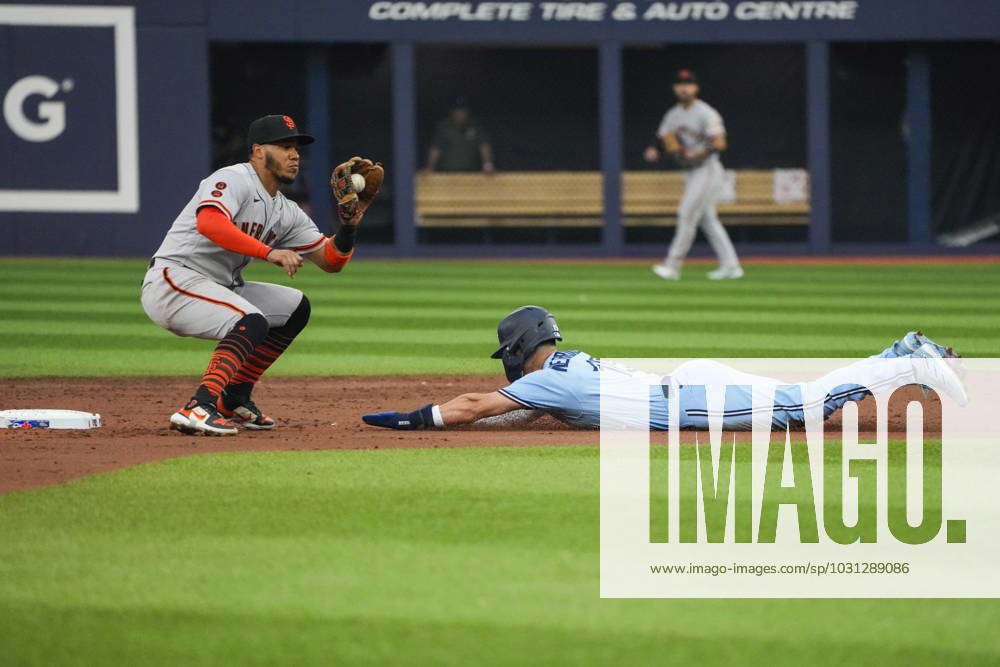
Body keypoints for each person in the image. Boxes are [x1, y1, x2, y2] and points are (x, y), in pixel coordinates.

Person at [141, 114, 382, 435]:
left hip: (220, 285)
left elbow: (331, 260)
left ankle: (234, 398)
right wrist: (269, 252)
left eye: (296, 147)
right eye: (284, 146)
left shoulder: (286, 210)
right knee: (250, 320)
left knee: (295, 308)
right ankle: (198, 406)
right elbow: (210, 224)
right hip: (174, 281)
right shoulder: (233, 179)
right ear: (257, 151)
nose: (294, 155)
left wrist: (349, 224)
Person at [361, 306, 967, 432]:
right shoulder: (561, 372)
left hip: (689, 398)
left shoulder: (542, 380)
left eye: (510, 354)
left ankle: (907, 358)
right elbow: (509, 413)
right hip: (690, 382)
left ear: (522, 348)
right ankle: (900, 354)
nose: (510, 366)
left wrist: (411, 419)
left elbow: (474, 407)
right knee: (800, 399)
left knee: (801, 407)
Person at [643, 69, 743, 281]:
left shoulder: (706, 113)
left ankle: (672, 266)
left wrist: (698, 154)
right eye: (680, 83)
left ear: (696, 87)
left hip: (707, 169)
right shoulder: (673, 114)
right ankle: (731, 266)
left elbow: (720, 142)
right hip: (690, 173)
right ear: (674, 88)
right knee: (708, 220)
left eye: (688, 83)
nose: (684, 87)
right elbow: (664, 138)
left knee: (686, 213)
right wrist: (657, 149)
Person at [424, 98, 495, 174]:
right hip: (447, 173)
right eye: (457, 111)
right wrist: (430, 167)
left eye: (463, 111)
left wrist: (487, 164)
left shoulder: (475, 126)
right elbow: (436, 149)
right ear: (452, 112)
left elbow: (484, 146)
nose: (460, 114)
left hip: (470, 173)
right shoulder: (444, 128)